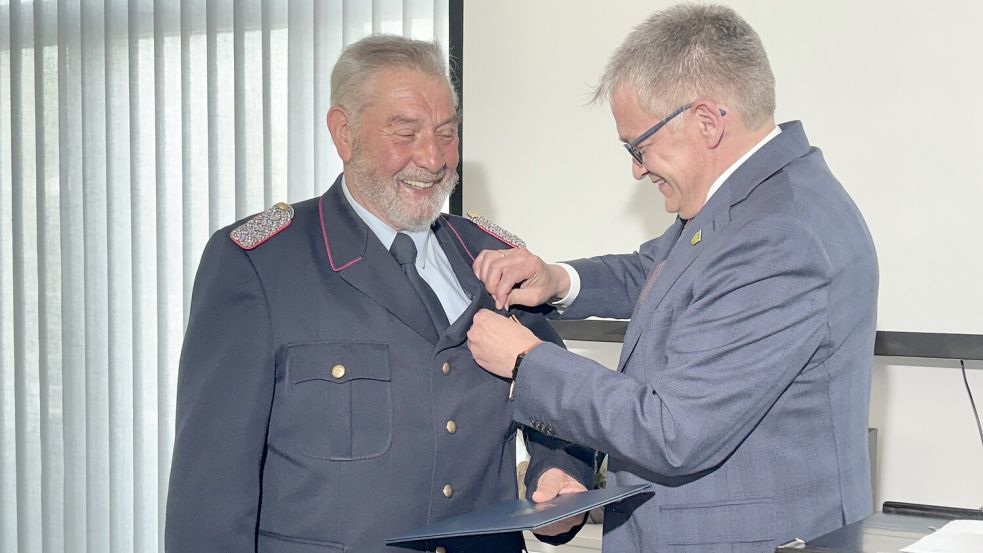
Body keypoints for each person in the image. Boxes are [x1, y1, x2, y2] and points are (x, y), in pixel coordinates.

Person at [466, 4, 878, 552]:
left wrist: (527, 361)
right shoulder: (755, 198)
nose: (637, 170)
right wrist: (557, 279)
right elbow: (658, 270)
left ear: (707, 122)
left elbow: (672, 431)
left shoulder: (779, 236)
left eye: (639, 147)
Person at [165, 35, 593, 553]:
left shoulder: (496, 258)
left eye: (446, 133)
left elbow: (562, 397)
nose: (433, 158)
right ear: (344, 134)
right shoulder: (259, 265)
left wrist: (558, 474)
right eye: (405, 132)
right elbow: (210, 492)